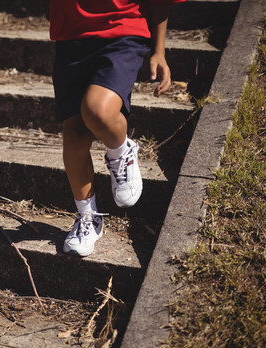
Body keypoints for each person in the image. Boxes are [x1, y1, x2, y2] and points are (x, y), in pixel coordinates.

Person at [50, 0, 184, 257]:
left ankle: (121, 150)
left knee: (97, 110)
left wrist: (159, 50)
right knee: (75, 135)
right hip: (71, 38)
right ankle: (89, 219)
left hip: (122, 31)